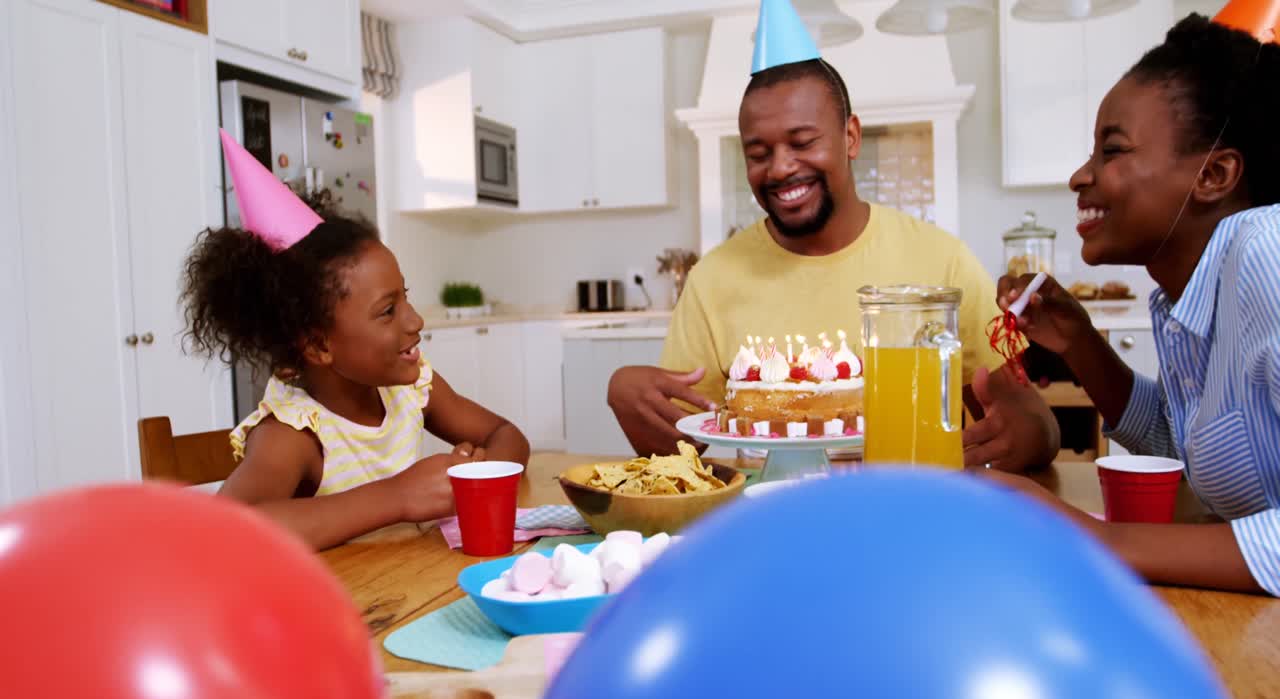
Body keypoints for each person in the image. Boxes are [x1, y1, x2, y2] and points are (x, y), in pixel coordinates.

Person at [609, 3, 1059, 471]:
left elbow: (1030, 421)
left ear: (850, 137)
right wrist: (628, 397)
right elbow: (679, 454)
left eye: (803, 143)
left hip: (911, 512)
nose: (781, 167)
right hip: (774, 518)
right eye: (758, 152)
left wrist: (1031, 432)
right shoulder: (713, 279)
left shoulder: (943, 264)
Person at [993, 13, 1280, 595]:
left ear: (1215, 173)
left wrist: (1082, 534)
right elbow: (1186, 447)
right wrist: (1079, 341)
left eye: (1111, 150)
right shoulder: (1182, 299)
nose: (1080, 176)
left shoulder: (1266, 255)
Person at [180, 132, 529, 551]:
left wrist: (480, 475)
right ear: (318, 346)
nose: (415, 321)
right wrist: (398, 497)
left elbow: (506, 433)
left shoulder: (411, 388)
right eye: (388, 310)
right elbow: (227, 532)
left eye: (406, 297)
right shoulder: (294, 432)